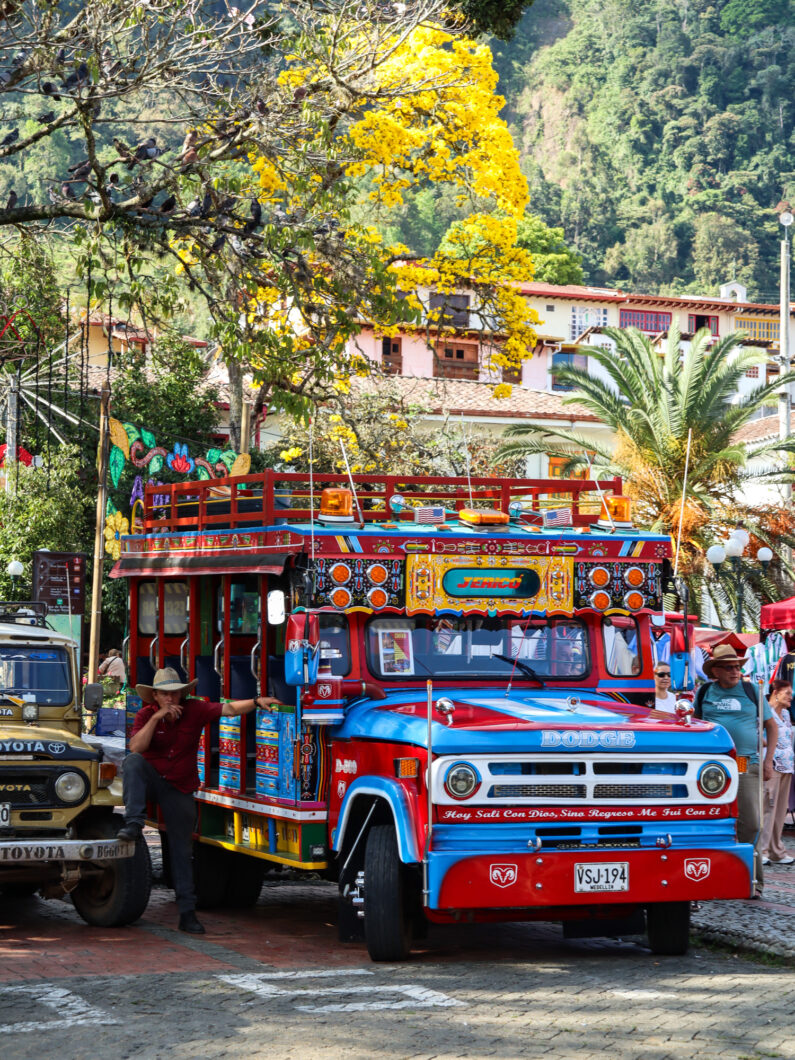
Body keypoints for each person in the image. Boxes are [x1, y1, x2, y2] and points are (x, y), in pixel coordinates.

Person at [117, 667, 280, 934]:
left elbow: (227, 710)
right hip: (152, 779)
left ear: (182, 694)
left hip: (180, 787)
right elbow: (136, 747)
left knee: (182, 852)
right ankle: (133, 823)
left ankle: (187, 913)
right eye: (165, 695)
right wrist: (157, 718)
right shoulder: (147, 714)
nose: (171, 699)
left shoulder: (194, 710)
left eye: (175, 694)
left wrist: (256, 702)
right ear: (155, 696)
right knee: (133, 762)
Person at [694, 644, 777, 897]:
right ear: (715, 671)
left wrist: (768, 760)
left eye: (738, 666)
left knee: (750, 822)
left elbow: (772, 727)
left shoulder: (752, 691)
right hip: (712, 766)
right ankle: (715, 879)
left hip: (742, 762)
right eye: (728, 667)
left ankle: (752, 881)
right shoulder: (705, 692)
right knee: (713, 823)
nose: (735, 671)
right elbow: (696, 725)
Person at [760, 678, 795, 867]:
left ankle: (777, 851)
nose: (791, 697)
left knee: (781, 810)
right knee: (768, 808)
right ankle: (763, 850)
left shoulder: (787, 715)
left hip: (787, 765)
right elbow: (757, 733)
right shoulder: (765, 713)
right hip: (771, 764)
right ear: (776, 693)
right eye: (787, 693)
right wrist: (770, 745)